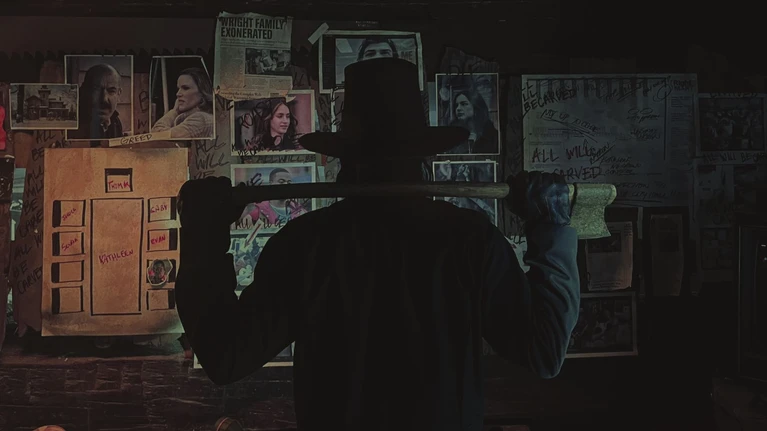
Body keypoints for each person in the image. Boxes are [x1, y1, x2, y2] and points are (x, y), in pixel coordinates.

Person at [176, 58, 580, 430]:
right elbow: (544, 353)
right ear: (422, 158)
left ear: (346, 160)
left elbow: (226, 356)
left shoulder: (304, 244)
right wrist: (551, 227)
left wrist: (203, 238)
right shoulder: (471, 240)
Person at [151, 67, 214, 139]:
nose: (178, 94)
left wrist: (174, 111)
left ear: (202, 92)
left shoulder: (200, 118)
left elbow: (156, 135)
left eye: (185, 88)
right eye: (178, 89)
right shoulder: (193, 117)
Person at [68, 63, 125, 140]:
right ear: (84, 90)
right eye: (96, 90)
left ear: (119, 94)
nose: (104, 99)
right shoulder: (72, 127)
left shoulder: (115, 121)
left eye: (111, 91)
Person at [236, 168, 308, 229]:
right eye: (281, 182)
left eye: (289, 183)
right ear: (271, 183)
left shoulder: (301, 212)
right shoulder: (256, 213)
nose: (286, 185)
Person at [445, 89, 499, 154]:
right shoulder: (452, 134)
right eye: (456, 105)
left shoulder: (492, 134)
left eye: (464, 104)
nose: (458, 108)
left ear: (475, 106)